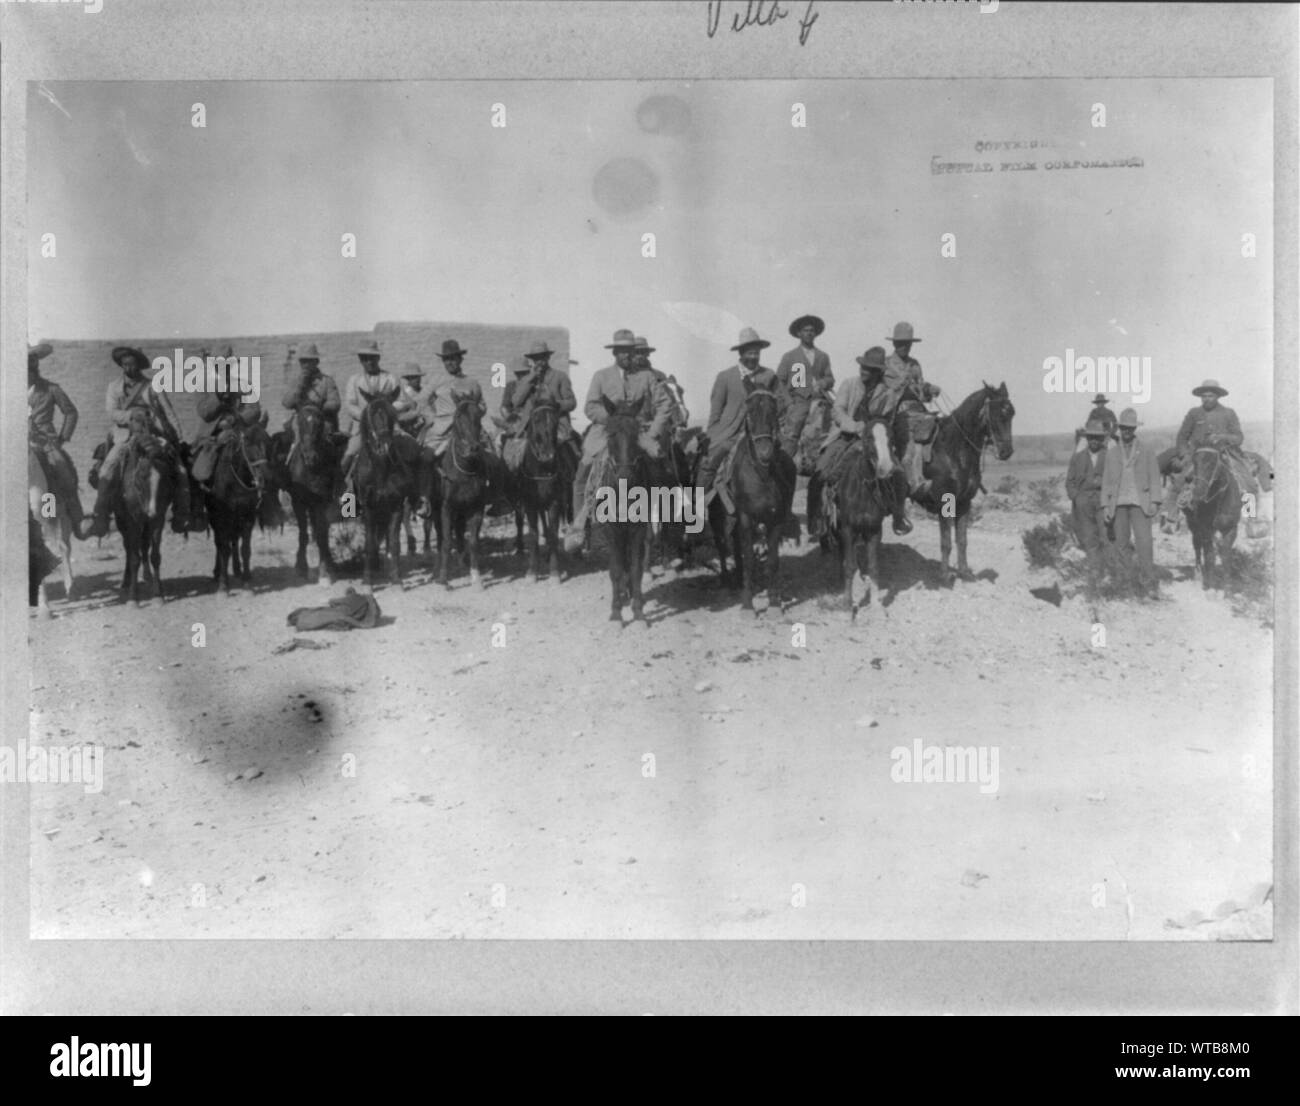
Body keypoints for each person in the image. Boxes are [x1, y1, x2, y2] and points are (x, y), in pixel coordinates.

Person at [566, 328, 672, 550]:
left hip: (640, 433)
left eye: (629, 351)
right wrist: (614, 421)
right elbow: (590, 406)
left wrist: (653, 432)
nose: (626, 355)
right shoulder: (601, 376)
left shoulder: (647, 377)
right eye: (622, 351)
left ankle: (670, 526)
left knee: (663, 468)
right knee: (583, 470)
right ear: (614, 353)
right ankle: (579, 527)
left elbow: (665, 405)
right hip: (607, 432)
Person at [83, 345, 190, 537]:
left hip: (153, 434)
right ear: (121, 366)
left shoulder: (152, 385)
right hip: (125, 435)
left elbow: (168, 411)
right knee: (106, 470)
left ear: (139, 365)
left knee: (180, 469)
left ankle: (182, 514)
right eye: (125, 365)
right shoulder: (113, 387)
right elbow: (112, 412)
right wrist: (131, 415)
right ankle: (101, 517)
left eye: (132, 365)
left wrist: (178, 437)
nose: (129, 368)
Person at [812, 346, 910, 536]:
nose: (863, 371)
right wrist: (855, 426)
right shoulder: (849, 384)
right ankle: (816, 519)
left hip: (873, 441)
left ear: (878, 372)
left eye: (869, 369)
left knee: (898, 474)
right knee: (821, 472)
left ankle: (898, 516)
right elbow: (837, 411)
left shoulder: (887, 393)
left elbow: (887, 419)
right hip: (845, 436)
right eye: (863, 367)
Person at [695, 328, 790, 512]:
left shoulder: (769, 376)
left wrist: (773, 422)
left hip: (761, 435)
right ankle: (696, 518)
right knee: (707, 467)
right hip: (729, 433)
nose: (754, 356)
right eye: (749, 352)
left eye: (756, 352)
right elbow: (715, 413)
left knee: (786, 465)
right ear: (741, 353)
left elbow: (785, 402)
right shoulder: (725, 377)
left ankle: (785, 516)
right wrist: (713, 438)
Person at [882, 321, 940, 529]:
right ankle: (914, 482)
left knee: (938, 430)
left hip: (918, 410)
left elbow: (921, 394)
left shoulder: (915, 364)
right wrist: (900, 384)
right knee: (910, 443)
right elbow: (883, 394)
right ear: (894, 343)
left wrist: (929, 389)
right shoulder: (886, 364)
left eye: (907, 343)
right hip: (897, 413)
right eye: (900, 343)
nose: (904, 347)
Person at [1101, 408, 1162, 599]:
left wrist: (1155, 501)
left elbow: (1154, 477)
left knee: (1144, 542)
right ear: (1119, 428)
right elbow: (1106, 481)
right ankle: (1124, 583)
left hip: (1140, 503)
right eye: (1123, 427)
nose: (1126, 431)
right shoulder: (1111, 453)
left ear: (1134, 429)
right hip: (1118, 504)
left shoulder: (1146, 450)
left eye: (1130, 428)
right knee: (1121, 544)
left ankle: (1149, 583)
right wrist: (1105, 505)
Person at [27, 343, 87, 535]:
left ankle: (74, 518)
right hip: (14, 442)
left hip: (46, 442)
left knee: (61, 469)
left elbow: (70, 412)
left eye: (32, 361)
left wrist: (62, 438)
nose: (29, 365)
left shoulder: (52, 389)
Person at [340, 340, 413, 494]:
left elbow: (403, 401)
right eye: (365, 358)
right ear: (360, 360)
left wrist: (388, 411)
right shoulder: (354, 380)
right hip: (363, 429)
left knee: (411, 450)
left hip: (389, 428)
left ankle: (415, 498)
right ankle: (348, 507)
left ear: (378, 358)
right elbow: (350, 405)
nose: (369, 362)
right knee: (350, 455)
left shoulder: (390, 378)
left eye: (372, 358)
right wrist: (367, 417)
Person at [191, 345, 266, 489]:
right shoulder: (202, 385)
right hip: (211, 437)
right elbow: (204, 412)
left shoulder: (243, 385)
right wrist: (218, 395)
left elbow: (255, 410)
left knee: (262, 462)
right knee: (200, 472)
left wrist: (236, 418)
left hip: (240, 435)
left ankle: (265, 497)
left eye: (227, 365)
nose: (223, 368)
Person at [500, 340, 577, 472]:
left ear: (548, 357)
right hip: (529, 424)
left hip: (556, 423)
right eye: (536, 359)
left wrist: (557, 405)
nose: (539, 361)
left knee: (571, 453)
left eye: (542, 358)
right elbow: (516, 402)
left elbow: (571, 402)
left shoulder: (560, 376)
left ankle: (573, 482)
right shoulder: (526, 380)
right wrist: (531, 379)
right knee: (510, 457)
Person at [775, 314, 834, 459]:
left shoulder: (823, 356)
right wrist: (789, 403)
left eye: (812, 330)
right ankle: (785, 464)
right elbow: (780, 381)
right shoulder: (790, 356)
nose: (809, 333)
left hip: (818, 403)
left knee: (825, 435)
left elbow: (830, 378)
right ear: (799, 333)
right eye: (805, 330)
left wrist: (823, 382)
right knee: (791, 436)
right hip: (798, 402)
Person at [422, 338, 488, 458]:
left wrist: (471, 414)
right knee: (426, 458)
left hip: (468, 431)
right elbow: (422, 400)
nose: (449, 362)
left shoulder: (472, 383)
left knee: (491, 458)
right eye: (446, 359)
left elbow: (482, 406)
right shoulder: (436, 380)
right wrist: (431, 416)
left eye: (452, 358)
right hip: (442, 432)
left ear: (460, 359)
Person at [1066, 423, 1110, 589]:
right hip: (1083, 501)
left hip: (1103, 500)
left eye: (1097, 438)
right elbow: (1069, 482)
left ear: (1102, 439)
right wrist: (1076, 498)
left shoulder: (1109, 456)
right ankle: (1095, 572)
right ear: (1087, 439)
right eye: (1091, 437)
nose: (1094, 441)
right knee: (1089, 538)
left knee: (1106, 536)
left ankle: (1109, 571)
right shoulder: (1078, 457)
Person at [281, 342, 342, 440]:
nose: (305, 365)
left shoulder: (327, 381)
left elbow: (335, 403)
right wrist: (299, 386)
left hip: (322, 420)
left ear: (316, 362)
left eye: (308, 361)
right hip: (300, 420)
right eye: (302, 361)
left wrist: (316, 407)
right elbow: (286, 403)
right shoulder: (295, 381)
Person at [397, 362, 429, 438]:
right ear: (408, 379)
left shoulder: (425, 391)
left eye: (418, 377)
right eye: (413, 377)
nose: (417, 380)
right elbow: (399, 417)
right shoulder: (403, 395)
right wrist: (415, 414)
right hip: (411, 430)